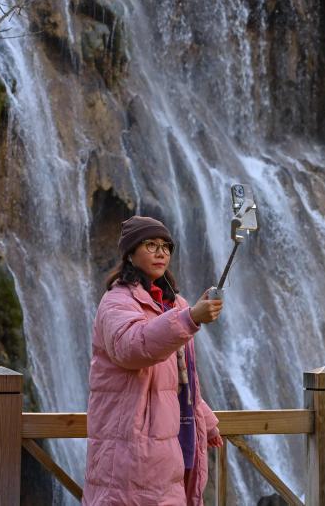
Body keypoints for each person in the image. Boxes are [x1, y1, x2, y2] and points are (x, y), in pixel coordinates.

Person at [84, 215, 224, 505]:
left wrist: (204, 419)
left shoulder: (173, 303)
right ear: (130, 253)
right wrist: (190, 318)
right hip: (130, 451)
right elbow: (132, 347)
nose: (161, 253)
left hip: (172, 445)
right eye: (150, 245)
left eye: (166, 246)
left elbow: (178, 380)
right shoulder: (117, 301)